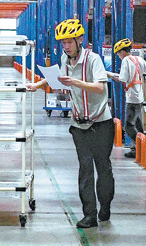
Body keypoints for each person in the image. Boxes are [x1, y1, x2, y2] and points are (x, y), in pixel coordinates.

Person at [26, 18, 114, 228]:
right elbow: (56, 75)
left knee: (103, 168)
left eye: (69, 42)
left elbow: (100, 88)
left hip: (101, 123)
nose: (66, 46)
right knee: (85, 169)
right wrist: (37, 84)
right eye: (63, 43)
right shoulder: (65, 60)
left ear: (79, 40)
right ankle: (89, 215)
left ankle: (106, 204)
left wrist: (75, 82)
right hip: (79, 125)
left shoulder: (93, 60)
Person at [106, 38, 146, 158]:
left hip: (132, 98)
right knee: (138, 125)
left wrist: (109, 75)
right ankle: (137, 149)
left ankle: (141, 148)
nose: (118, 56)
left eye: (118, 53)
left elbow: (122, 79)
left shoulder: (126, 61)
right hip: (139, 95)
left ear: (122, 51)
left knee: (129, 125)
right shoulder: (139, 59)